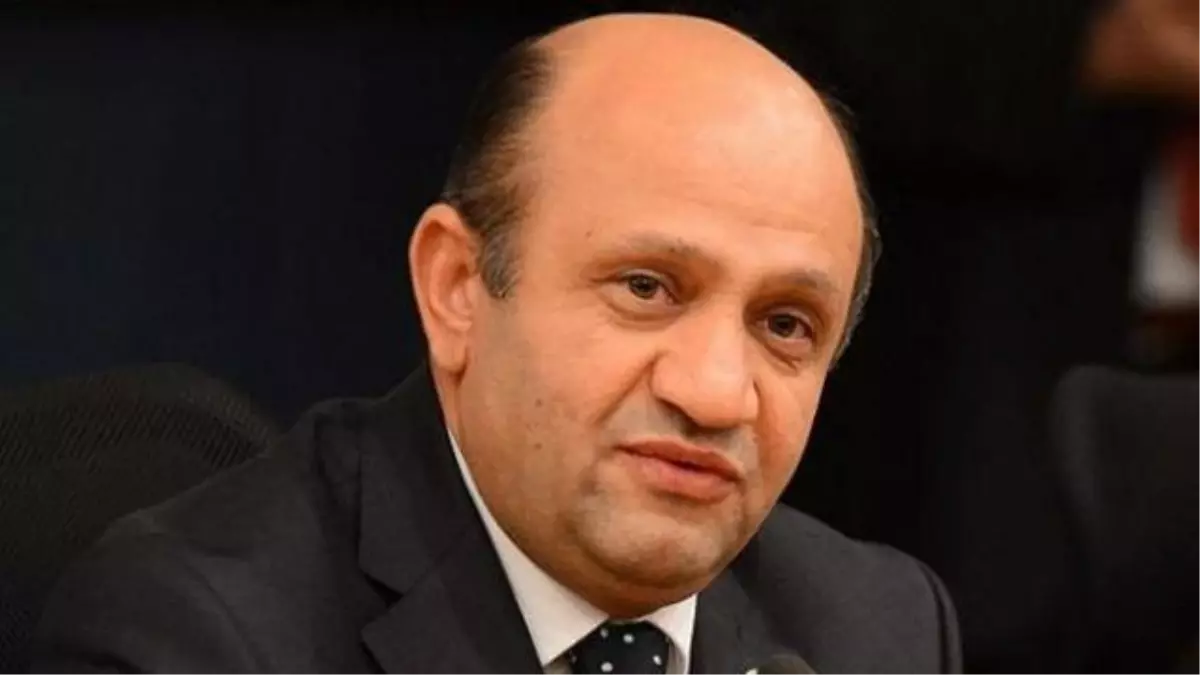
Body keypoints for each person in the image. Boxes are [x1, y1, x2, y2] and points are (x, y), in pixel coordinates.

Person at [30, 13, 961, 675]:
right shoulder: (197, 637)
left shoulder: (879, 630)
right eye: (645, 288)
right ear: (457, 288)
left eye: (785, 324)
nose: (717, 391)